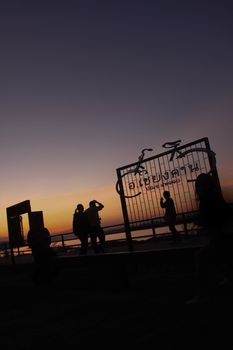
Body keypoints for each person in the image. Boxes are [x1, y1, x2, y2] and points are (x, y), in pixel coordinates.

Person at [186, 173, 233, 304]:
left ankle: (202, 295)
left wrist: (201, 222)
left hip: (223, 239)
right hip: (223, 238)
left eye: (203, 185)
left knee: (201, 258)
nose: (201, 188)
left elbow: (214, 220)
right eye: (200, 185)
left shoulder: (208, 201)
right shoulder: (214, 197)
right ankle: (228, 278)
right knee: (218, 258)